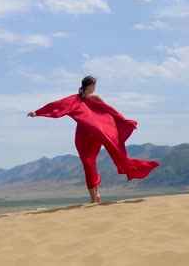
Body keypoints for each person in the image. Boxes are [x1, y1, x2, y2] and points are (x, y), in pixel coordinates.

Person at [27, 76, 160, 203]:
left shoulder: (85, 99)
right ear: (90, 85)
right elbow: (58, 106)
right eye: (94, 85)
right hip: (84, 136)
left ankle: (93, 198)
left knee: (89, 165)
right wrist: (39, 112)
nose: (95, 88)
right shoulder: (76, 99)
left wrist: (124, 122)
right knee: (89, 165)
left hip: (92, 135)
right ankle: (95, 195)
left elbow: (109, 111)